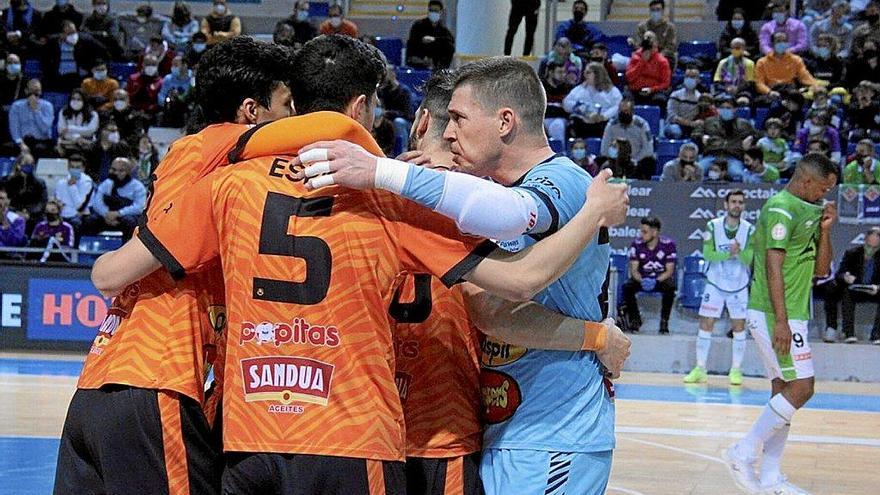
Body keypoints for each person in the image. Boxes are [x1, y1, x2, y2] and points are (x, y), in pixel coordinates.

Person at [88, 44, 629, 495]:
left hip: (252, 428)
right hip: (376, 432)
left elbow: (109, 274)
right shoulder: (397, 197)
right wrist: (595, 233)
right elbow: (512, 284)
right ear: (366, 107)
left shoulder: (226, 181)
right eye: (454, 124)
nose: (455, 142)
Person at [55, 37, 295, 495]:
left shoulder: (215, 165)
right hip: (159, 378)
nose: (294, 117)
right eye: (286, 104)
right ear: (251, 110)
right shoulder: (214, 147)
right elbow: (115, 271)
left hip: (102, 382)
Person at [396, 68, 630, 495]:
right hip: (514, 428)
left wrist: (414, 182)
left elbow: (497, 306)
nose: (450, 136)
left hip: (554, 430)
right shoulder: (489, 191)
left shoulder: (560, 181)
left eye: (460, 120)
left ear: (505, 122)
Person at [724, 153, 838, 495]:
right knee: (803, 389)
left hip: (794, 312)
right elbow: (771, 267)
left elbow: (821, 270)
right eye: (824, 187)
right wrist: (782, 323)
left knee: (783, 392)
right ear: (805, 181)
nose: (826, 194)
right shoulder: (780, 207)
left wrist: (826, 230)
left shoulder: (811, 210)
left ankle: (771, 478)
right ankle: (742, 452)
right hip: (775, 313)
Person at [684, 190, 755, 386]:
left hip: (739, 284)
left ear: (744, 206)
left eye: (741, 202)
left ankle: (736, 370)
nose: (737, 205)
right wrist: (730, 254)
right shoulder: (712, 226)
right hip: (715, 282)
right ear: (726, 205)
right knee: (706, 324)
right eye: (733, 201)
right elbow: (708, 254)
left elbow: (749, 259)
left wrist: (739, 252)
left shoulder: (749, 229)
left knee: (739, 327)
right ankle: (700, 368)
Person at [620, 216, 677, 334]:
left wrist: (655, 281)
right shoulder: (636, 244)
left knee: (670, 287)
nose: (641, 234)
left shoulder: (668, 245)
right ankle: (635, 320)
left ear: (655, 232)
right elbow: (634, 270)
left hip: (660, 279)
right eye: (641, 231)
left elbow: (669, 271)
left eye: (644, 232)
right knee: (627, 287)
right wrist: (642, 280)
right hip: (642, 279)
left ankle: (664, 321)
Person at [823, 227, 880, 344]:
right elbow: (839, 273)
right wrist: (845, 276)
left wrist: (878, 287)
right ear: (865, 241)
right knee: (843, 291)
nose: (870, 250)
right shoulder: (852, 253)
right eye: (868, 246)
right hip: (855, 289)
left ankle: (876, 335)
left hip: (874, 290)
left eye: (875, 248)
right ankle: (848, 333)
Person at [694, 94, 758, 181]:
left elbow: (759, 134)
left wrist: (751, 138)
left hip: (732, 157)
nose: (725, 110)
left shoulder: (744, 124)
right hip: (712, 156)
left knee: (738, 175)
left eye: (728, 108)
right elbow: (695, 132)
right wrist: (701, 136)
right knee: (695, 172)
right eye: (722, 107)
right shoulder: (709, 121)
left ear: (735, 109)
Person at [81, 157, 145, 239]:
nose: (116, 173)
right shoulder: (106, 184)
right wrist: (106, 214)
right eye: (114, 169)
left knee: (131, 223)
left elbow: (139, 207)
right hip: (106, 216)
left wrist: (119, 213)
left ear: (128, 172)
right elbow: (97, 203)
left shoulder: (138, 187)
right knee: (89, 221)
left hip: (125, 217)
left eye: (121, 171)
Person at [42, 20, 109, 92]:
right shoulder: (53, 42)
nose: (72, 36)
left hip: (79, 76)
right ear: (62, 34)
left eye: (74, 32)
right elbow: (45, 58)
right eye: (69, 33)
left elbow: (103, 50)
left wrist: (94, 66)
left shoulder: (85, 39)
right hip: (59, 76)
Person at [755, 31, 820, 102]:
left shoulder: (796, 59)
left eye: (784, 41)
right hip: (771, 91)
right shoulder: (762, 62)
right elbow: (759, 83)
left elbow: (805, 76)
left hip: (790, 90)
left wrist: (815, 86)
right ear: (773, 44)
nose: (782, 43)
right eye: (779, 41)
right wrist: (769, 92)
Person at [563, 62, 622, 138]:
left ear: (597, 74)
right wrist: (585, 111)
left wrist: (603, 116)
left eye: (588, 73)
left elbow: (617, 106)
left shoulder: (612, 91)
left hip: (603, 122)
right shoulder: (580, 89)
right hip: (582, 122)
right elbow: (566, 103)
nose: (585, 75)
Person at [601, 99, 655, 179]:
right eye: (621, 111)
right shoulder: (611, 125)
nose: (623, 114)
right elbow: (604, 149)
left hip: (637, 159)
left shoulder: (642, 125)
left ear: (632, 112)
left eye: (626, 111)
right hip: (616, 160)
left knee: (649, 162)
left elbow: (648, 149)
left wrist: (635, 160)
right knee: (603, 163)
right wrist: (615, 159)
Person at [8, 79, 55, 159]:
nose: (34, 94)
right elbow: (14, 128)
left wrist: (36, 110)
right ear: (26, 91)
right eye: (31, 90)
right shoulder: (16, 106)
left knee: (42, 149)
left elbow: (45, 129)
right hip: (22, 141)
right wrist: (21, 144)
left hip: (41, 141)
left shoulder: (48, 106)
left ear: (41, 92)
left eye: (37, 91)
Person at [0, 150, 46, 230]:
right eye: (26, 164)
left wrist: (29, 214)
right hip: (11, 213)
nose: (29, 167)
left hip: (32, 216)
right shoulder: (6, 181)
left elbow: (42, 202)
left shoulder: (39, 183)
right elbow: (4, 200)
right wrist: (16, 212)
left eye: (31, 164)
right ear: (18, 165)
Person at [625, 33, 671, 107]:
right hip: (635, 90)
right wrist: (642, 62)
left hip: (654, 91)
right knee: (626, 99)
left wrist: (652, 89)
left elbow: (666, 83)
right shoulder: (635, 57)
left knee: (660, 99)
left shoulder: (662, 61)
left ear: (656, 44)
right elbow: (629, 78)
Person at [405, 1, 454, 70]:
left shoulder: (443, 30)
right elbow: (412, 42)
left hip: (436, 65)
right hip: (418, 63)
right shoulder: (418, 26)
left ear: (441, 12)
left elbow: (449, 42)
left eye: (436, 11)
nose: (433, 13)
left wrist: (434, 40)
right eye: (431, 10)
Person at [631, 0, 677, 69]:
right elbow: (639, 44)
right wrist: (647, 54)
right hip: (645, 54)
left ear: (663, 11)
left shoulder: (670, 27)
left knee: (667, 61)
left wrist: (658, 57)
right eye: (653, 10)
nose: (655, 12)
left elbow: (671, 46)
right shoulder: (642, 27)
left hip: (663, 56)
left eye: (658, 9)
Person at [53, 153, 93, 231]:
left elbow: (79, 206)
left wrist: (72, 186)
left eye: (77, 167)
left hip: (79, 214)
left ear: (83, 169)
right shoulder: (61, 182)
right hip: (63, 213)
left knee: (75, 223)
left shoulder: (87, 182)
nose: (74, 170)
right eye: (72, 167)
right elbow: (58, 201)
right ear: (68, 167)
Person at [713, 38, 757, 106]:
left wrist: (737, 89)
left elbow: (750, 83)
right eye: (733, 47)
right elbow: (717, 81)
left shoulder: (749, 63)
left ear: (744, 48)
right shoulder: (723, 63)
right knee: (719, 99)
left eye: (738, 48)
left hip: (742, 92)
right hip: (725, 91)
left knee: (744, 99)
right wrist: (727, 88)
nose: (736, 50)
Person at [56, 88, 99, 155]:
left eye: (79, 99)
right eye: (73, 99)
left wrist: (70, 128)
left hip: (86, 142)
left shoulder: (93, 114)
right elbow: (61, 130)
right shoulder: (63, 112)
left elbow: (90, 131)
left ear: (84, 100)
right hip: (68, 142)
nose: (75, 101)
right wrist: (77, 138)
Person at [665, 63, 701, 139]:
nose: (690, 79)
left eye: (693, 77)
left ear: (698, 80)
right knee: (675, 131)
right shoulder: (675, 95)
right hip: (674, 125)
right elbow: (672, 117)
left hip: (692, 127)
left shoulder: (700, 98)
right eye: (687, 76)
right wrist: (690, 123)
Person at [541, 62, 574, 142]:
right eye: (559, 72)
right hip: (542, 119)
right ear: (550, 73)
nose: (563, 75)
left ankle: (559, 152)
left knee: (557, 126)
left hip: (560, 119)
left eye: (564, 72)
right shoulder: (540, 87)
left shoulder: (567, 88)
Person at [156, 54, 191, 127]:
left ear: (185, 65)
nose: (173, 67)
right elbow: (161, 97)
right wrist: (168, 100)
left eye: (176, 65)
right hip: (170, 110)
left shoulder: (193, 78)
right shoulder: (168, 78)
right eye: (172, 65)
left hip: (186, 110)